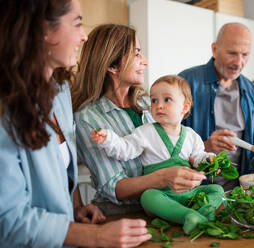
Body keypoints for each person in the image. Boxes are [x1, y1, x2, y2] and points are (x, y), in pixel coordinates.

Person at [0, 0, 152, 247]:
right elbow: (8, 221)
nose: (84, 37)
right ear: (43, 30)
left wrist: (76, 208)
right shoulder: (5, 106)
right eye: (78, 24)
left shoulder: (59, 92)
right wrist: (97, 236)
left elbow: (60, 174)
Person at [72, 24, 206, 216]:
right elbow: (114, 186)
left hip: (169, 208)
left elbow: (172, 146)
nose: (145, 61)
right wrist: (162, 178)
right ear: (112, 65)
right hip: (120, 216)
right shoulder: (87, 118)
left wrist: (202, 157)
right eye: (137, 54)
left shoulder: (149, 103)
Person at [90, 75, 224, 234]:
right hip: (162, 194)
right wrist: (108, 138)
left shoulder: (191, 135)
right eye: (154, 100)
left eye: (167, 100)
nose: (158, 105)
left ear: (185, 107)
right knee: (148, 197)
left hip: (190, 194)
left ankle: (201, 213)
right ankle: (187, 215)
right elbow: (125, 148)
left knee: (217, 189)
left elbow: (198, 157)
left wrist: (209, 160)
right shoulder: (145, 132)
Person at [179, 22, 254, 190]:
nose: (239, 62)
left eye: (245, 54)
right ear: (214, 49)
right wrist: (204, 146)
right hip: (194, 192)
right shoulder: (185, 82)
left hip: (239, 193)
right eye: (232, 53)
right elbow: (164, 144)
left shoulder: (253, 93)